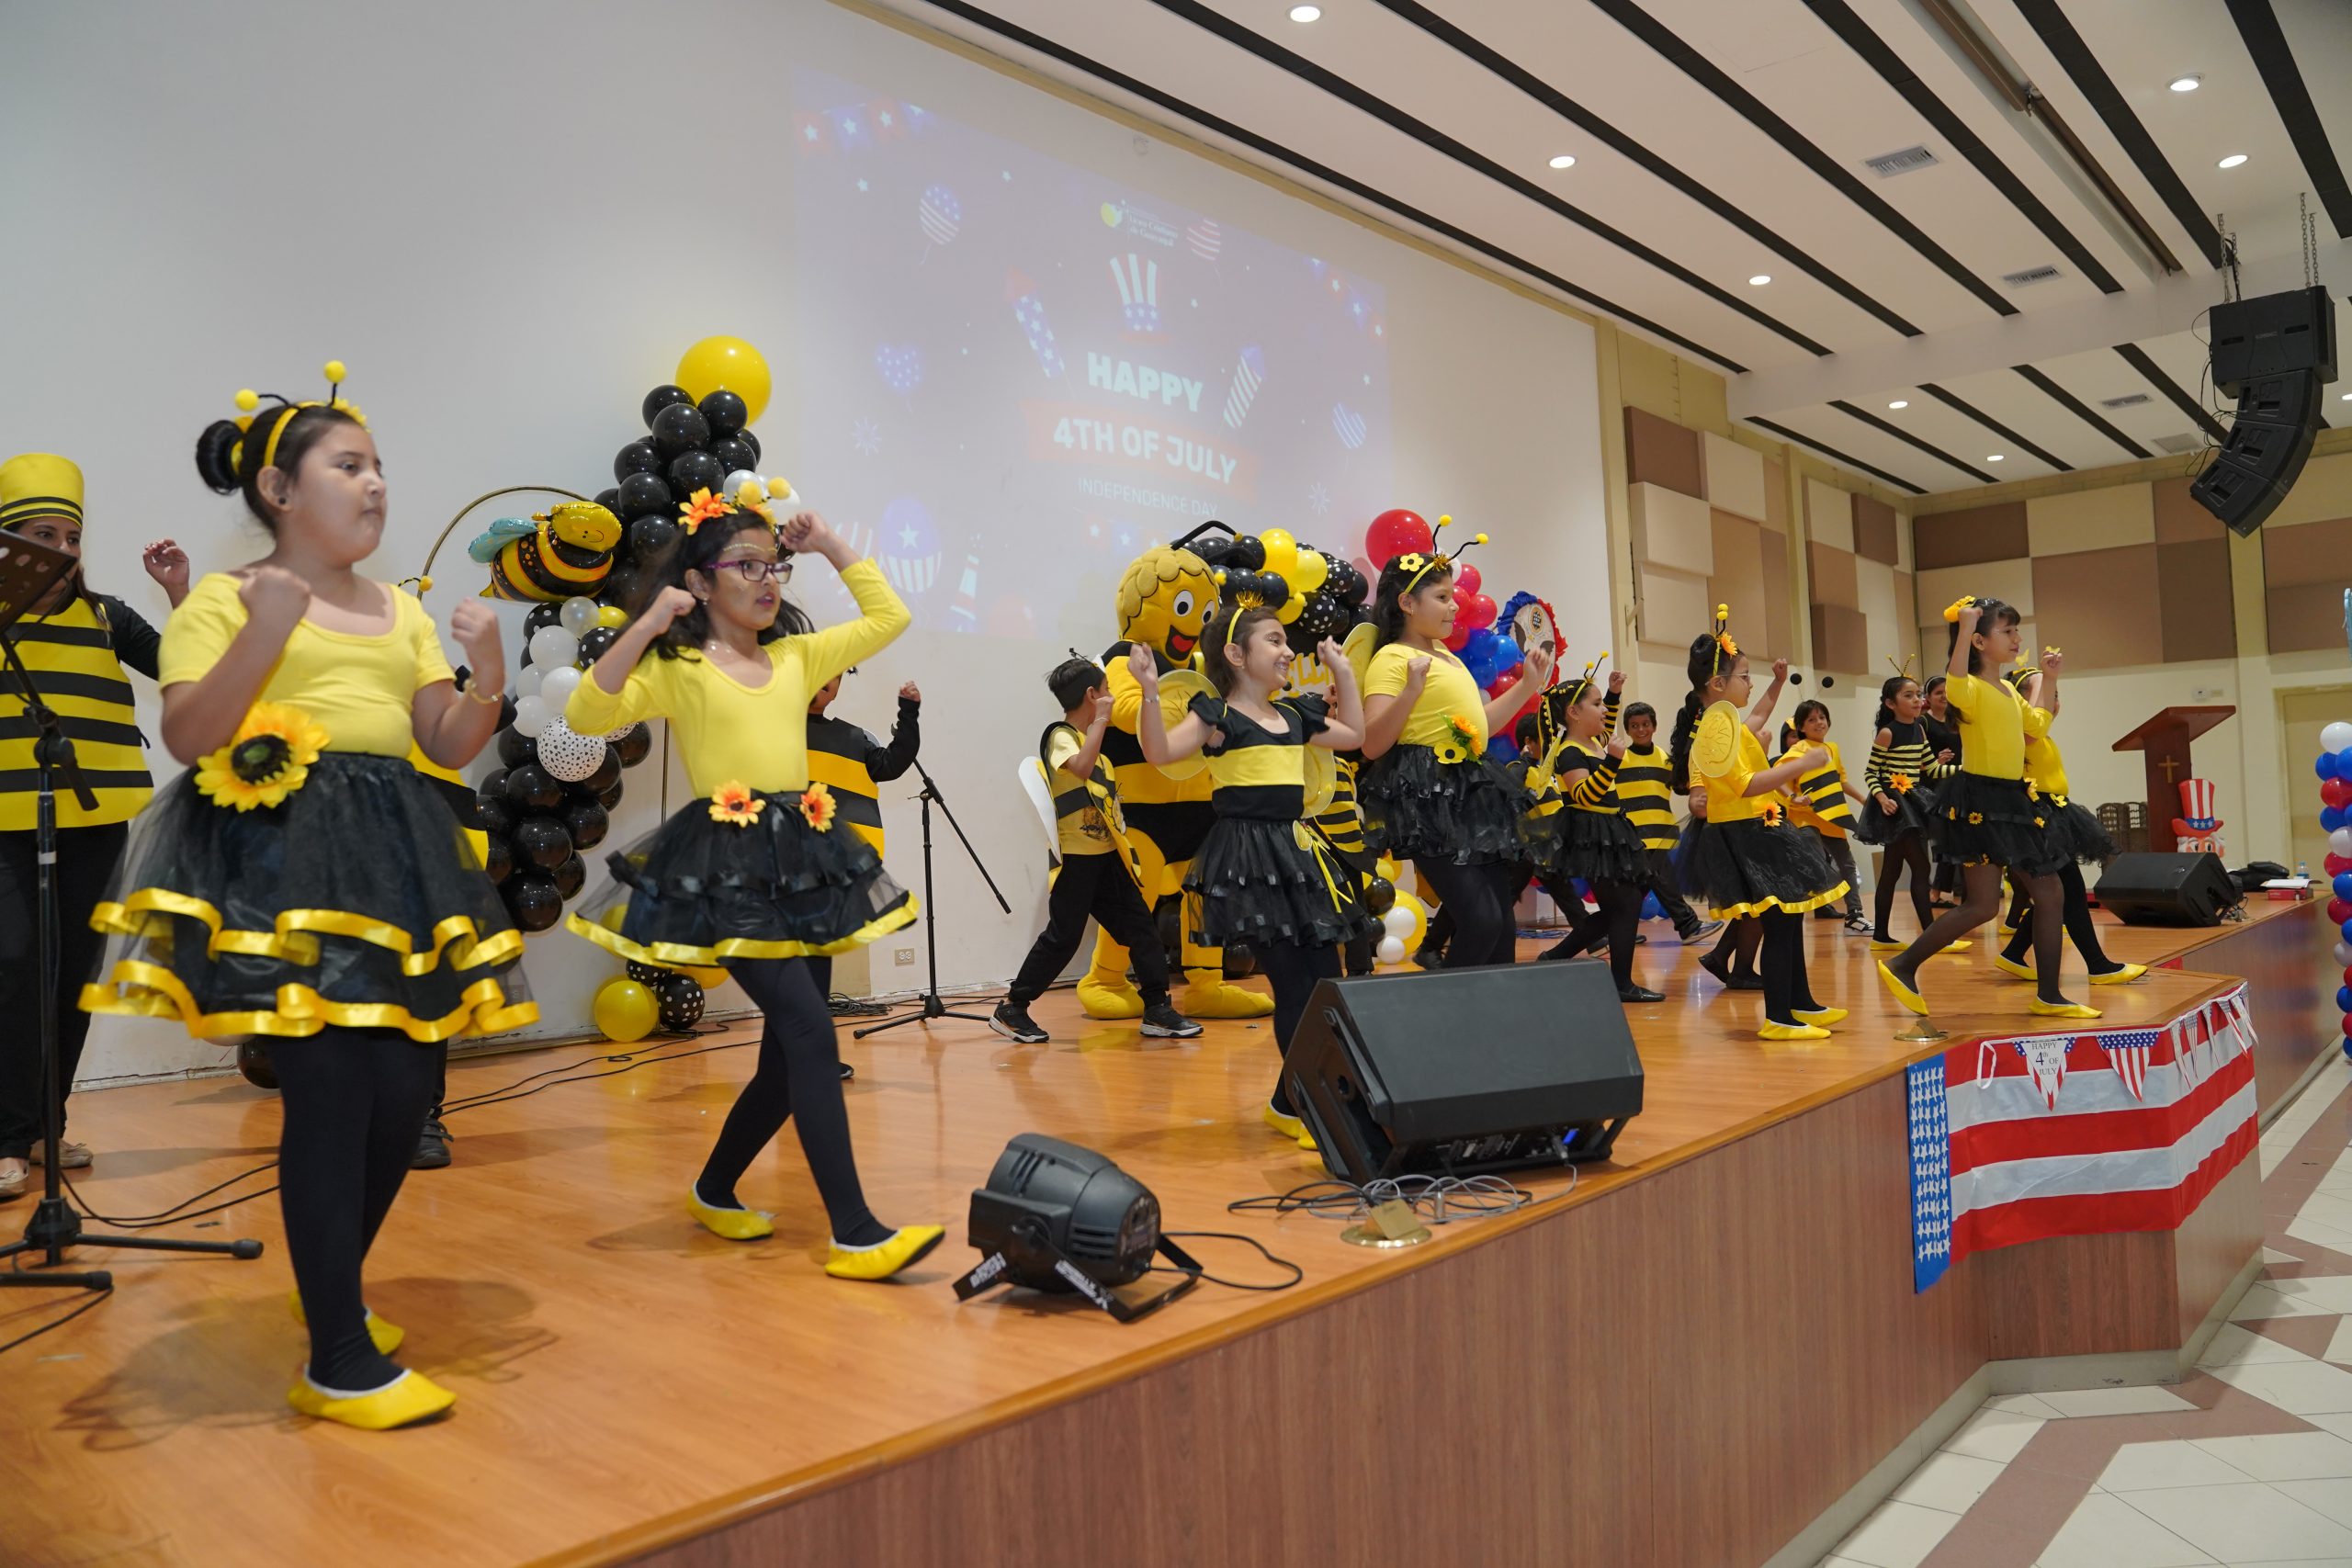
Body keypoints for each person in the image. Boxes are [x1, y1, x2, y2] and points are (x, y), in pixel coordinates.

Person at [82, 370, 533, 1430]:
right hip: (280, 865)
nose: (374, 485)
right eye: (349, 465)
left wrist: (485, 675)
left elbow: (444, 744)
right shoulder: (223, 599)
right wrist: (265, 629)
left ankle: (331, 1288)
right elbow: (190, 736)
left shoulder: (400, 609)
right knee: (329, 1096)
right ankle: (337, 1356)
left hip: (394, 857)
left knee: (403, 1096)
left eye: (378, 468)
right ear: (280, 490)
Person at [564, 493, 943, 1282]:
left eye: (775, 565)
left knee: (783, 1061)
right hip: (727, 863)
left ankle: (713, 1187)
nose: (767, 579)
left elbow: (890, 617)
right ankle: (855, 1231)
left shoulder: (797, 659)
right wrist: (647, 623)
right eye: (746, 565)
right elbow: (587, 710)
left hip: (803, 858)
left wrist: (830, 541)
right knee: (810, 1030)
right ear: (701, 583)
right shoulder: (680, 667)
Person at [0, 455, 188, 1201]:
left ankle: (44, 1127)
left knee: (74, 976)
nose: (63, 550)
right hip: (5, 826)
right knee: (15, 970)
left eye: (72, 537)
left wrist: (178, 594)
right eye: (43, 535)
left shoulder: (108, 616)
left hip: (95, 820)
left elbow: (188, 671)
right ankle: (7, 1136)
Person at [1132, 606, 1369, 1148]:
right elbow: (1158, 751)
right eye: (1275, 641)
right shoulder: (1217, 717)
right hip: (1249, 863)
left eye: (1287, 642)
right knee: (1293, 986)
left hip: (1295, 857)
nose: (1288, 651)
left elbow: (1355, 734)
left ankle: (1290, 1102)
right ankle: (1309, 1107)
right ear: (1236, 655)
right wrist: (1148, 691)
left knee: (1323, 983)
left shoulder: (1295, 716)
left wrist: (1344, 671)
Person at [1875, 598, 2094, 1021]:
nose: (2016, 638)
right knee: (2035, 895)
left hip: (2010, 800)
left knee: (1995, 903)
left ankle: (1905, 965)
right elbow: (1955, 681)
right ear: (1979, 641)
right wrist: (1963, 629)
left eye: (2016, 630)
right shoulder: (1969, 688)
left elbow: (2038, 725)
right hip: (1983, 803)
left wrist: (2049, 679)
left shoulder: (2008, 689)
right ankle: (2046, 995)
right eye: (2007, 631)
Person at [1357, 528, 1553, 969]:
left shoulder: (1448, 656)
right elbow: (1372, 743)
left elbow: (1480, 728)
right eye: (1442, 597)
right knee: (1481, 921)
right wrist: (1410, 691)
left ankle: (1493, 1010)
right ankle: (1446, 1008)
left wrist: (1527, 685)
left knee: (1501, 925)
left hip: (1469, 791)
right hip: (1427, 798)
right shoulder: (1392, 658)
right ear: (1407, 603)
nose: (1453, 606)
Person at [992, 657, 1201, 1045]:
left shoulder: (1098, 749)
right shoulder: (1060, 736)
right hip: (1077, 861)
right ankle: (1013, 1008)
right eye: (1107, 690)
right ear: (1092, 695)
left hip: (1106, 859)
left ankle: (1158, 1009)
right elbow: (1081, 768)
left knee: (1141, 929)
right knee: (1063, 938)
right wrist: (1103, 720)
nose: (1112, 696)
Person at [1670, 608, 1849, 1040]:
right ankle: (1779, 1019)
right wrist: (1800, 764)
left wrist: (1777, 684)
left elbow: (1756, 721)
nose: (1750, 684)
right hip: (1747, 834)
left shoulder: (1725, 720)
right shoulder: (1715, 728)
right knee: (1779, 923)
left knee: (1789, 918)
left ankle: (1800, 1003)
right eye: (1745, 676)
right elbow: (1747, 784)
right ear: (1718, 684)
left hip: (1760, 829)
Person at [1992, 657, 2145, 987]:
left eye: (2056, 695)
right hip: (2037, 817)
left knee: (2057, 894)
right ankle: (2098, 965)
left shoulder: (2042, 736)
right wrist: (2045, 680)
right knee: (2070, 890)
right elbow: (2031, 724)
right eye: (2044, 695)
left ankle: (2014, 953)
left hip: (2055, 813)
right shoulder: (2024, 733)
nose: (2053, 701)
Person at [805, 667, 921, 1078]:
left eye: (833, 677)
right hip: (788, 863)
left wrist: (909, 713)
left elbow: (892, 764)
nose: (824, 682)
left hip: (836, 867)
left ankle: (809, 1058)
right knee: (797, 966)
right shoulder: (772, 732)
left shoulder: (854, 739)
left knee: (816, 963)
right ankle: (802, 1058)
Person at [1527, 664, 1662, 1002]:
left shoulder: (1594, 741)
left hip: (1611, 828)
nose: (1605, 710)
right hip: (1592, 833)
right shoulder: (1569, 751)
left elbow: (1608, 724)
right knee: (1625, 905)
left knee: (1625, 903)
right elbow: (1583, 795)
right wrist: (1612, 762)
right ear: (1574, 713)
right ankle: (1620, 983)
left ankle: (1556, 956)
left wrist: (1614, 693)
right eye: (1597, 703)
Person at [1856, 671, 1955, 952]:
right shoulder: (1887, 733)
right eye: (1908, 695)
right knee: (1921, 869)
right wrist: (1882, 798)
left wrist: (1965, 770)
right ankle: (1931, 938)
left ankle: (1881, 937)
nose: (1916, 700)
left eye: (1918, 695)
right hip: (1896, 807)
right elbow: (1871, 772)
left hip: (1913, 800)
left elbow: (1931, 768)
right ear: (1891, 703)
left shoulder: (1919, 729)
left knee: (1891, 871)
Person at [1616, 701, 1720, 947]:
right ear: (1627, 730)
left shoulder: (1665, 758)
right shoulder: (1620, 759)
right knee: (1663, 881)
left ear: (1654, 726)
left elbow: (1681, 787)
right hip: (1634, 835)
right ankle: (1688, 925)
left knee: (1639, 888)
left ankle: (1618, 932)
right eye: (1634, 726)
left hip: (1662, 832)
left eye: (1645, 724)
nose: (1641, 730)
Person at [1779, 701, 1870, 933]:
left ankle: (1855, 915)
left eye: (1822, 717)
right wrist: (1794, 798)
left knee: (1847, 864)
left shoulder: (1832, 749)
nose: (1819, 722)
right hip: (1805, 818)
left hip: (1832, 816)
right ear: (1801, 727)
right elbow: (1778, 778)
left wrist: (1862, 798)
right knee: (1815, 864)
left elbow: (1841, 781)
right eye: (1811, 719)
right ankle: (1793, 914)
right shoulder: (1798, 750)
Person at [1921, 674, 1963, 908]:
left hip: (1957, 784)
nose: (1944, 696)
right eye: (1938, 693)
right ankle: (1933, 892)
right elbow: (1914, 757)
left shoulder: (1956, 719)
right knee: (1941, 841)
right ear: (1928, 697)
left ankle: (1941, 892)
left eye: (1947, 692)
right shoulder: (1923, 722)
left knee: (1954, 840)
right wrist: (1935, 761)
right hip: (1933, 788)